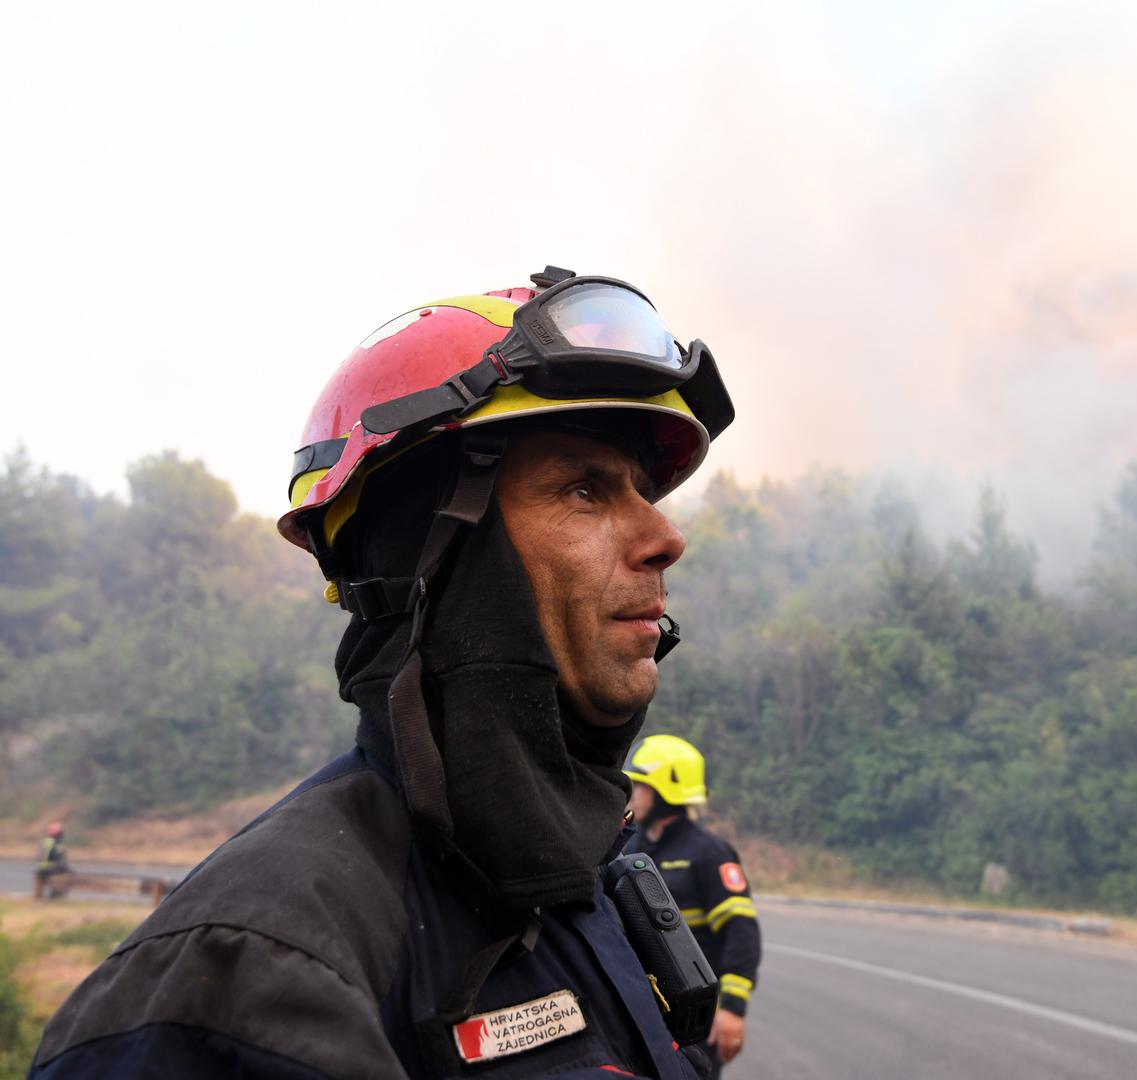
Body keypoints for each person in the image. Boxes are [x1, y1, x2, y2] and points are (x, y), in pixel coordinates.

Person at [31, 266, 735, 1078]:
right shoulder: (246, 976)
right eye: (583, 489)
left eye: (645, 491)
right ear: (432, 559)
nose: (664, 537)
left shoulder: (586, 881)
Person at [623, 736, 760, 1076]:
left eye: (641, 785)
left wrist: (733, 1009)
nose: (632, 792)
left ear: (667, 793)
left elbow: (741, 934)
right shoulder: (630, 849)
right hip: (642, 1012)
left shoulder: (709, 853)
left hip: (695, 1022)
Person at [35, 822, 70, 899]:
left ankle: (40, 897)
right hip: (50, 869)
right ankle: (55, 896)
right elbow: (60, 859)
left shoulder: (44, 841)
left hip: (40, 868)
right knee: (64, 875)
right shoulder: (56, 844)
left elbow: (38, 856)